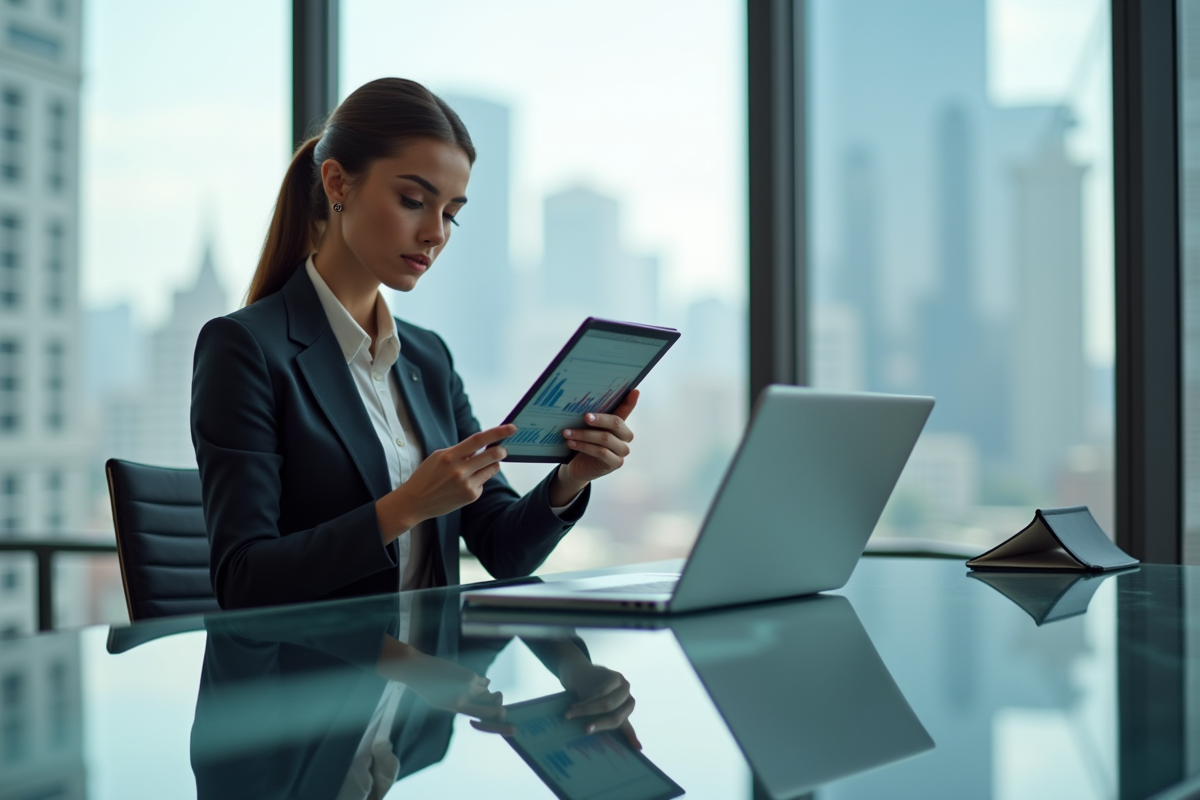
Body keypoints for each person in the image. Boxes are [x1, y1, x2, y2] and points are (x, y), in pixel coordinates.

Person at [191, 78, 638, 609]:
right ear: (337, 183)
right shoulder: (245, 349)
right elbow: (243, 581)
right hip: (320, 661)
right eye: (413, 201)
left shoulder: (428, 359)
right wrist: (404, 507)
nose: (435, 233)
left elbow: (504, 550)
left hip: (432, 659)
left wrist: (569, 479)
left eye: (450, 214)